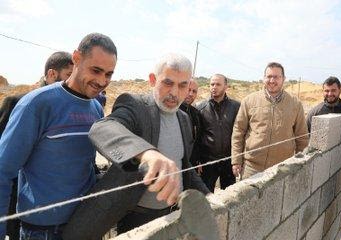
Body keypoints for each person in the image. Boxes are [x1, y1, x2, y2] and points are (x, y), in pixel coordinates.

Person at [63, 53, 210, 238]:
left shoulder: (184, 119)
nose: (174, 92)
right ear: (152, 80)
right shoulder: (135, 105)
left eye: (182, 85)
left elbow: (184, 166)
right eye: (167, 83)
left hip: (171, 214)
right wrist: (147, 153)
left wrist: (208, 197)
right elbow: (104, 128)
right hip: (135, 215)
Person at [0, 32, 117, 240]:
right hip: (42, 231)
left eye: (108, 74)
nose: (101, 80)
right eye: (96, 70)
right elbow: (3, 171)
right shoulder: (36, 104)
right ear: (77, 58)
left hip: (85, 222)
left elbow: (87, 166)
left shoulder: (96, 109)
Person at [0, 51, 73, 240]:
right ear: (51, 75)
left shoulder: (75, 106)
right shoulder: (19, 102)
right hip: (20, 205)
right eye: (68, 76)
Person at [231, 62, 309, 179]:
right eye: (269, 76)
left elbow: (302, 137)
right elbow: (238, 131)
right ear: (263, 78)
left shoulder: (295, 104)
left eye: (276, 77)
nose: (272, 80)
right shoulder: (249, 101)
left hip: (282, 168)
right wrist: (236, 160)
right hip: (251, 168)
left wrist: (301, 164)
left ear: (283, 79)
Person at [306, 76, 341, 198]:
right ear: (323, 91)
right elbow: (307, 134)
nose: (330, 94)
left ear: (340, 90)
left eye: (333, 90)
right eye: (327, 91)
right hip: (322, 157)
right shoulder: (315, 112)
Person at [196, 74, 240, 192]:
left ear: (226, 86)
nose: (214, 87)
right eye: (212, 84)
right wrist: (198, 160)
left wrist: (238, 159)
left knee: (230, 196)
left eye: (218, 84)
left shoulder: (236, 107)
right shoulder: (200, 108)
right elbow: (197, 137)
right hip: (208, 162)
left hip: (229, 161)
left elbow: (240, 133)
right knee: (206, 196)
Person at [179, 78, 202, 166]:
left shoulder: (196, 113)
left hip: (190, 165)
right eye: (188, 90)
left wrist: (197, 160)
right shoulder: (172, 111)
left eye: (194, 91)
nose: (190, 94)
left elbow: (197, 140)